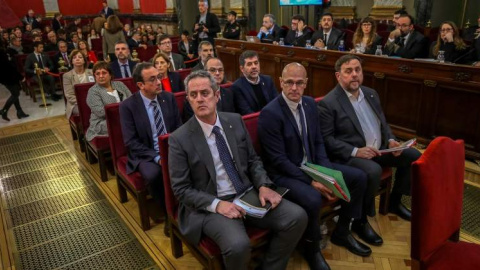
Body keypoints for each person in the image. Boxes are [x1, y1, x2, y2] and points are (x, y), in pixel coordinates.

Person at [168, 70, 308, 270]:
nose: (199, 99)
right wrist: (218, 205)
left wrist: (264, 185)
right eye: (193, 95)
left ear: (217, 95)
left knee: (297, 217)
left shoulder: (234, 121)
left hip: (246, 193)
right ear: (188, 99)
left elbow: (252, 160)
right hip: (212, 203)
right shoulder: (179, 139)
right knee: (238, 245)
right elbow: (181, 190)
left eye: (205, 93)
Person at [258, 63, 370, 269]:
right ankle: (312, 247)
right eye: (289, 82)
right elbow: (278, 160)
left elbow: (318, 142)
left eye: (299, 83)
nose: (294, 88)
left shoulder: (309, 104)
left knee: (359, 177)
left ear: (306, 84)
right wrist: (312, 181)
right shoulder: (270, 113)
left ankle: (343, 231)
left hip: (311, 166)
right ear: (280, 82)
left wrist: (328, 174)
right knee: (311, 198)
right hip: (284, 174)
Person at [318, 55, 422, 223]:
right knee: (373, 170)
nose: (354, 74)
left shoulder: (370, 93)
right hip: (353, 156)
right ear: (338, 76)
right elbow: (327, 140)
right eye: (348, 71)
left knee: (413, 156)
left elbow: (383, 123)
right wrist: (356, 151)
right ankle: (363, 218)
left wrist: (391, 140)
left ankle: (394, 202)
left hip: (380, 148)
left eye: (357, 70)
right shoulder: (328, 103)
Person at [119, 62, 182, 220]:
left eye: (159, 77)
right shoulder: (128, 106)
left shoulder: (168, 97)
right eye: (152, 79)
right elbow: (131, 142)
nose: (159, 82)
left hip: (171, 148)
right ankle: (169, 214)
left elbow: (178, 128)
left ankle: (188, 207)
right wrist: (157, 157)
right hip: (145, 153)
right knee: (154, 174)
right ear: (140, 85)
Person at [85, 61, 132, 142]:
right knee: (125, 124)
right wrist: (125, 112)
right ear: (94, 76)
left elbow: (131, 101)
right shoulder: (93, 91)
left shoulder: (120, 84)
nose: (101, 76)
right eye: (97, 74)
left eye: (104, 73)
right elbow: (101, 112)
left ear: (110, 75)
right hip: (102, 122)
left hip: (125, 117)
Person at [183, 57, 235, 122]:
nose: (217, 73)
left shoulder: (228, 93)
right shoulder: (193, 99)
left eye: (220, 70)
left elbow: (232, 118)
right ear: (205, 72)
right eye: (213, 70)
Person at [231, 50, 278, 115]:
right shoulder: (237, 87)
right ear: (242, 69)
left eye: (256, 63)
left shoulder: (267, 80)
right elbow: (247, 112)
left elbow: (277, 103)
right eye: (249, 64)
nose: (254, 67)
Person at [1, 38, 29, 121]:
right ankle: (4, 110)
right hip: (9, 77)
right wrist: (20, 77)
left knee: (14, 92)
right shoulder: (2, 53)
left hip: (5, 77)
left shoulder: (3, 52)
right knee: (15, 94)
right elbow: (9, 67)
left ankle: (19, 111)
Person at [62, 50, 94, 119]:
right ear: (72, 61)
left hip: (93, 101)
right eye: (74, 57)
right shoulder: (67, 76)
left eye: (80, 57)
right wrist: (84, 103)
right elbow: (69, 95)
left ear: (84, 60)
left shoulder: (91, 72)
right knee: (86, 110)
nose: (77, 59)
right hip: (76, 104)